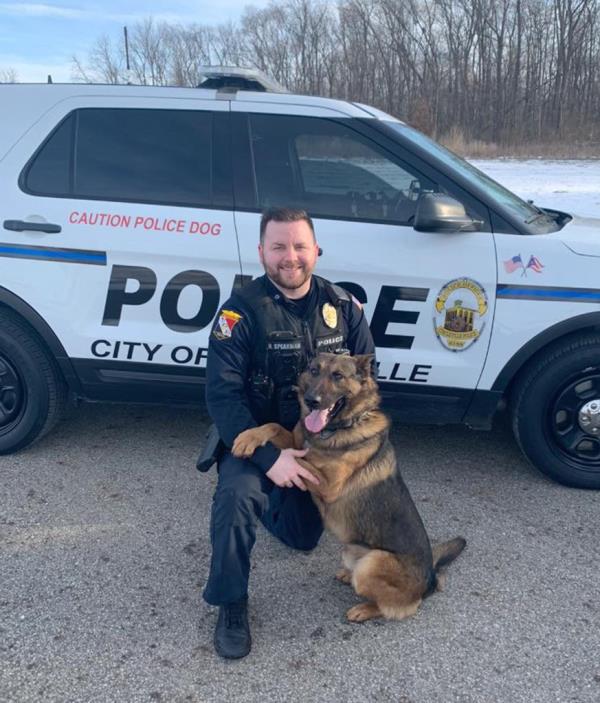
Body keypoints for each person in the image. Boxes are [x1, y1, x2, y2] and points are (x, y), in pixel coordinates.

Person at [203, 207, 375, 658]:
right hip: (257, 438)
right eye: (278, 246)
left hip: (319, 443)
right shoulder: (239, 313)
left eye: (299, 246)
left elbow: (367, 384)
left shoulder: (342, 308)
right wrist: (270, 460)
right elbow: (223, 397)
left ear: (315, 250)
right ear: (261, 252)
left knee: (302, 539)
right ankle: (231, 602)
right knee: (238, 496)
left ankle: (274, 503)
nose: (290, 257)